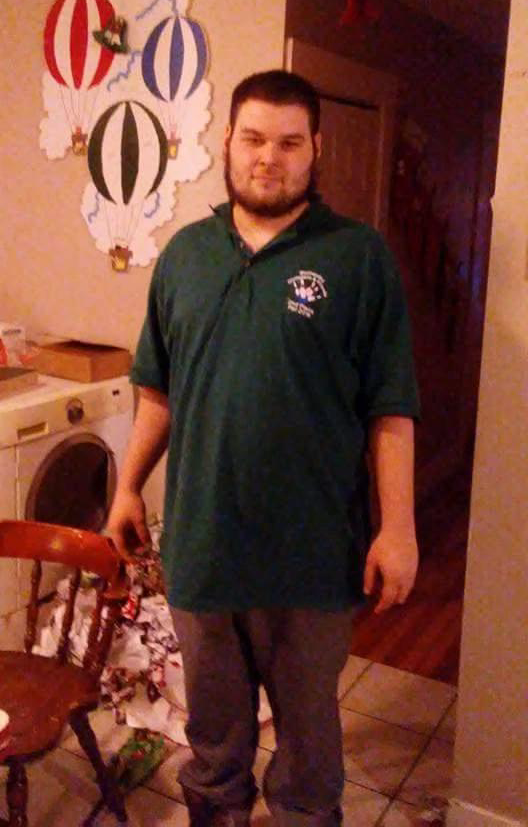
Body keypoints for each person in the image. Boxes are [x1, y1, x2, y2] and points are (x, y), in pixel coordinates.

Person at [106, 70, 420, 827]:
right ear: (227, 142)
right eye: (253, 138)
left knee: (308, 760)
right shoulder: (185, 255)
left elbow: (390, 406)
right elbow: (158, 391)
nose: (267, 158)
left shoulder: (357, 257)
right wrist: (126, 487)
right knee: (214, 749)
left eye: (288, 142)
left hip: (312, 559)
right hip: (204, 549)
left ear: (316, 149)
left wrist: (398, 527)